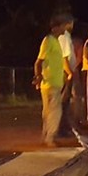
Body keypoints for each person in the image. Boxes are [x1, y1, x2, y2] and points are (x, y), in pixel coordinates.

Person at [33, 16, 72, 146]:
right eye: (62, 26)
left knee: (48, 111)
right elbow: (38, 62)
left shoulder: (56, 41)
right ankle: (50, 138)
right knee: (55, 111)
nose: (65, 28)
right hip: (49, 82)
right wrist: (38, 76)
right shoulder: (48, 40)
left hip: (54, 82)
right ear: (56, 27)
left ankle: (46, 136)